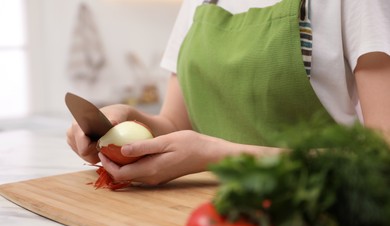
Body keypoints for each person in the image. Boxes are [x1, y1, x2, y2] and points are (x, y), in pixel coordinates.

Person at [67, 0, 390, 185]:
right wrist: (124, 120)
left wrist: (215, 154)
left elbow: (380, 160)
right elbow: (176, 124)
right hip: (205, 214)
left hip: (316, 211)